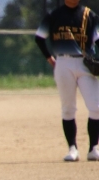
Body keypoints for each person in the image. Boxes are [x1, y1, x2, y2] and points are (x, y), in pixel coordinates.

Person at [36, 0, 99, 162]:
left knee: (96, 106)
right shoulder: (54, 15)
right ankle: (72, 148)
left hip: (86, 63)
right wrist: (50, 59)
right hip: (63, 62)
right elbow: (39, 38)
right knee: (68, 107)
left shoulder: (88, 15)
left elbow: (98, 40)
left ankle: (93, 148)